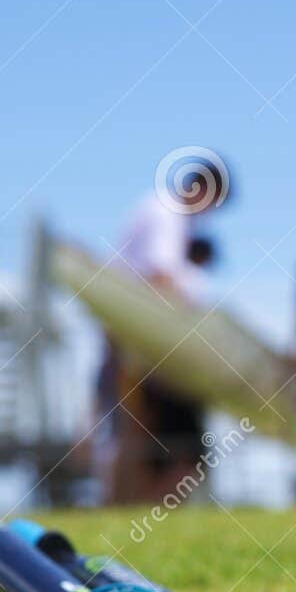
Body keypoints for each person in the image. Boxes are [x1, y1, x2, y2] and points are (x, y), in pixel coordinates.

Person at [96, 154, 228, 504]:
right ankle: (133, 511)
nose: (208, 215)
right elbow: (161, 278)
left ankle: (126, 511)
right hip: (144, 345)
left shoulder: (155, 210)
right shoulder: (166, 214)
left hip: (136, 340)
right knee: (143, 434)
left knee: (135, 433)